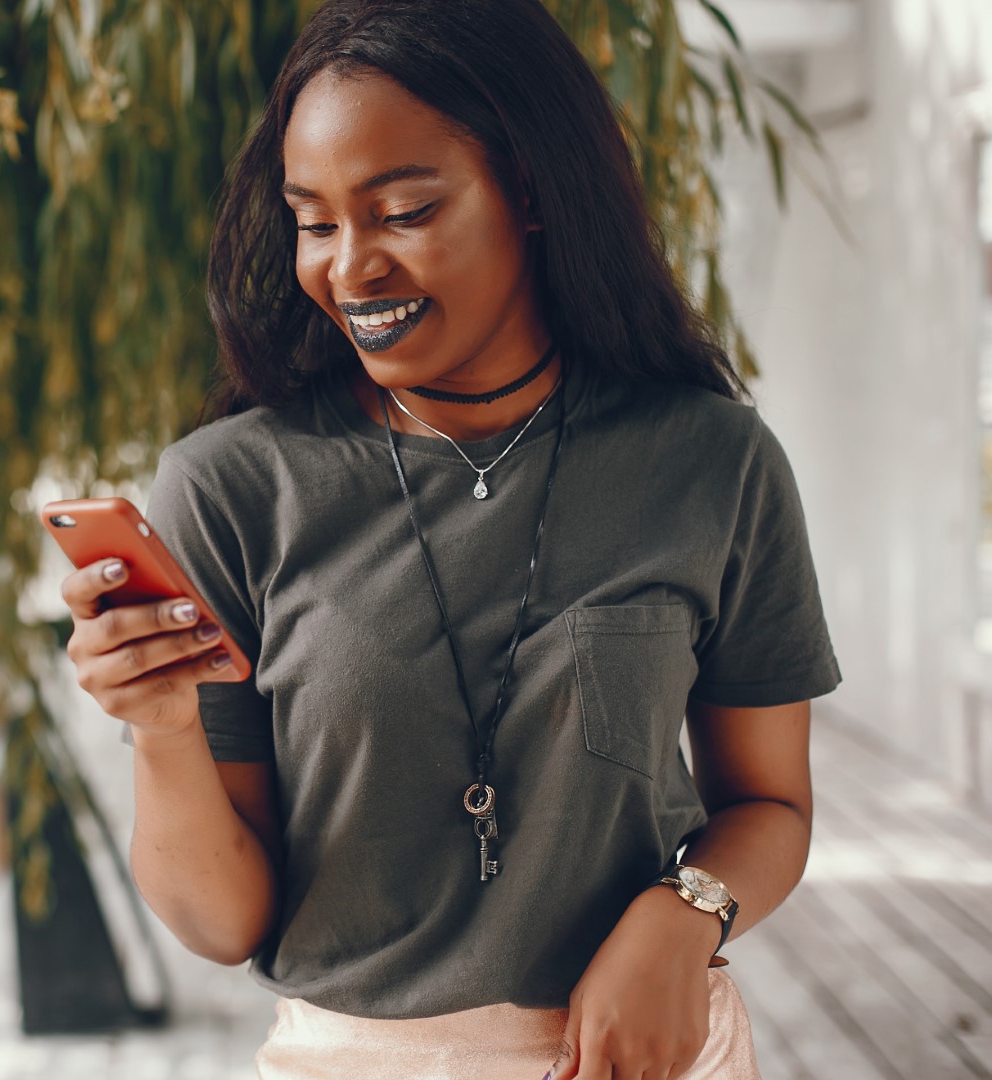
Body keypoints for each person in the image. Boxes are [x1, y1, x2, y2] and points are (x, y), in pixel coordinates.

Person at [58, 0, 841, 1076]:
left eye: (403, 211)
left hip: (636, 1055)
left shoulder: (712, 463)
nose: (349, 268)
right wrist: (160, 729)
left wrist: (683, 911)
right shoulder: (231, 488)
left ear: (530, 191)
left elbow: (771, 804)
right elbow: (223, 921)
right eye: (315, 222)